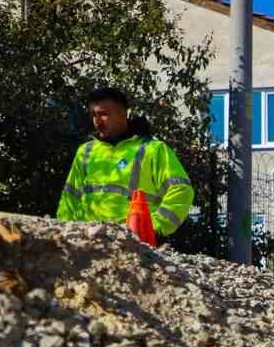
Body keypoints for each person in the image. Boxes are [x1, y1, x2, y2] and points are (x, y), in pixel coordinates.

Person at [57, 86, 193, 239]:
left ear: (122, 113)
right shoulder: (86, 151)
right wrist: (64, 232)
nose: (97, 121)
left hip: (134, 244)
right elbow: (69, 198)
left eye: (103, 114)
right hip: (90, 242)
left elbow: (181, 190)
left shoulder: (153, 150)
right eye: (93, 114)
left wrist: (153, 227)